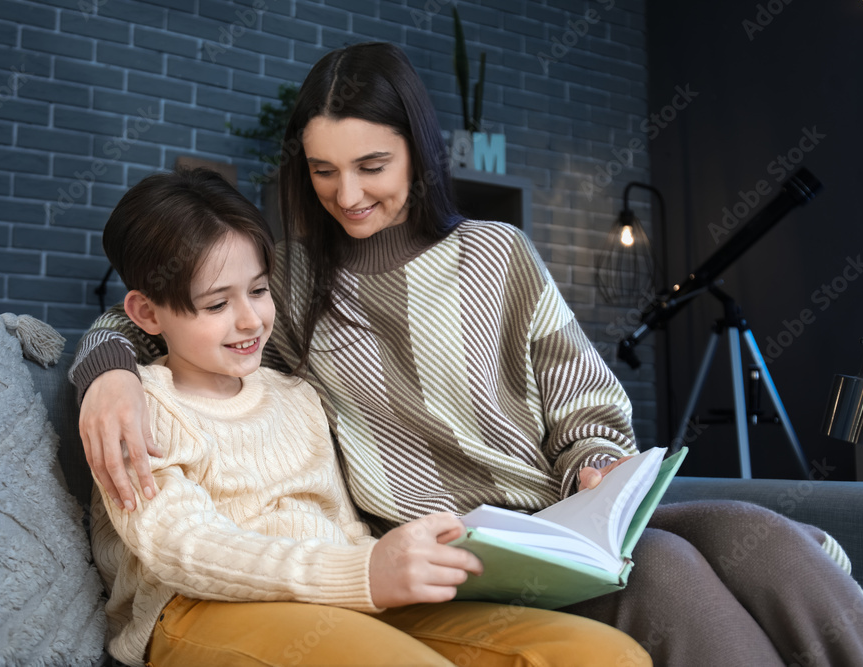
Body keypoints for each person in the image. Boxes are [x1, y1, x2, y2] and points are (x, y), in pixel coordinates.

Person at [74, 43, 863, 666]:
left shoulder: (497, 253)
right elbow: (161, 306)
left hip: (558, 516)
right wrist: (105, 373)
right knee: (668, 572)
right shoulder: (288, 279)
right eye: (323, 172)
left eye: (371, 166)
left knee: (766, 542)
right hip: (451, 552)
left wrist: (593, 460)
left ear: (417, 151)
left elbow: (582, 397)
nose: (347, 194)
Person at [88, 167, 648, 667]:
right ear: (145, 312)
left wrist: (382, 565)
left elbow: (343, 521)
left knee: (605, 655)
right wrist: (362, 573)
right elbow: (182, 548)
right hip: (196, 609)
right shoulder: (140, 404)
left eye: (259, 290)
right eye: (216, 305)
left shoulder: (296, 394)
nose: (250, 320)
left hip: (335, 593)